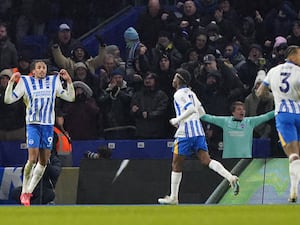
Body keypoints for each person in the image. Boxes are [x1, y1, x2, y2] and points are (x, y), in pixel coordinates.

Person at [158, 68, 239, 205]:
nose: (173, 80)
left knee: (176, 163)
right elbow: (201, 112)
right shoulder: (191, 93)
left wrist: (177, 120)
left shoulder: (178, 94)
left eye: (175, 78)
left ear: (179, 80)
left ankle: (174, 197)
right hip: (198, 131)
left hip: (186, 133)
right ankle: (230, 177)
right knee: (206, 160)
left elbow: (191, 109)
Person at [4, 60, 75, 206]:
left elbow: (70, 97)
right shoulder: (26, 82)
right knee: (32, 158)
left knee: (43, 162)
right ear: (34, 71)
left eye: (44, 67)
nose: (42, 70)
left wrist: (68, 81)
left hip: (48, 126)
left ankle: (28, 192)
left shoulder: (53, 82)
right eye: (39, 68)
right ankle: (25, 191)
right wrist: (11, 83)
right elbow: (8, 100)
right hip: (33, 125)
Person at [257, 45, 300, 203]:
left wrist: (275, 94)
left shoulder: (273, 71)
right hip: (299, 114)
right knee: (297, 156)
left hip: (283, 115)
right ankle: (293, 190)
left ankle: (294, 191)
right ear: (293, 55)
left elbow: (260, 92)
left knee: (293, 155)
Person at [201, 101, 274, 158]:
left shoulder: (250, 122)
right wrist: (195, 111)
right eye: (239, 109)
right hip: (228, 159)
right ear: (233, 112)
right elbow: (209, 118)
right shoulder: (225, 121)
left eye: (243, 109)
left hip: (245, 159)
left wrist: (279, 109)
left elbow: (266, 116)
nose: (242, 111)